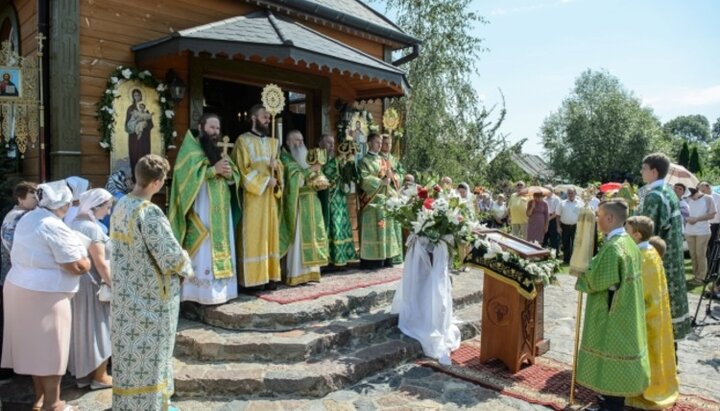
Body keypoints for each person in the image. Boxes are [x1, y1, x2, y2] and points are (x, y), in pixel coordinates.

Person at [110, 154, 193, 411]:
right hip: (152, 300)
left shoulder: (121, 205)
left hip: (125, 296)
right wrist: (186, 263)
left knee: (129, 356)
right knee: (153, 355)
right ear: (157, 182)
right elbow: (171, 256)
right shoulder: (150, 212)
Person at [2, 180, 91, 411]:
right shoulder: (53, 225)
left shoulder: (28, 217)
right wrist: (87, 262)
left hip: (19, 286)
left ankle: (40, 399)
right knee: (51, 350)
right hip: (45, 294)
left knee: (34, 349)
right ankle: (54, 404)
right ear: (63, 204)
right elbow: (76, 266)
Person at [575, 199, 650, 411]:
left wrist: (582, 274)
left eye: (599, 216)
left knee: (610, 354)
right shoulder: (629, 243)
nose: (597, 220)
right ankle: (609, 400)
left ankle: (611, 405)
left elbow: (596, 280)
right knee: (616, 354)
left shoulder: (614, 247)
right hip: (626, 309)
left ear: (610, 218)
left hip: (612, 311)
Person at [168, 113, 239, 305]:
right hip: (202, 207)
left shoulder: (220, 150)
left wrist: (230, 174)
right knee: (204, 246)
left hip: (222, 211)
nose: (215, 132)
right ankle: (200, 294)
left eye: (217, 128)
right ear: (201, 127)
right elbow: (184, 179)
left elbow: (235, 176)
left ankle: (223, 291)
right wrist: (211, 171)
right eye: (211, 128)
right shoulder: (191, 150)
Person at [624, 217, 679, 410]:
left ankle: (641, 393)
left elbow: (638, 291)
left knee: (644, 354)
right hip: (655, 313)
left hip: (645, 316)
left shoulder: (642, 257)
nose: (624, 234)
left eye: (627, 231)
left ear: (637, 235)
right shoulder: (651, 252)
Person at [637, 153, 691, 344]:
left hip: (659, 259)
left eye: (644, 168)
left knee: (654, 306)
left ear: (654, 171)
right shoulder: (668, 192)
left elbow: (644, 232)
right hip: (672, 256)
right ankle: (670, 351)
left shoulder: (654, 196)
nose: (641, 172)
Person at [231, 104, 282, 289]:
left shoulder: (273, 143)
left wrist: (277, 170)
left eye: (269, 117)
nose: (268, 120)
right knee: (253, 234)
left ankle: (270, 276)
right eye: (264, 117)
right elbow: (241, 170)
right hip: (253, 198)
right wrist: (263, 181)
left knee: (270, 235)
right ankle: (252, 280)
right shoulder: (242, 141)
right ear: (253, 118)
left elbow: (280, 172)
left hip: (269, 198)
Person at [68, 188, 114, 390]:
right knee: (99, 327)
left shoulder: (73, 224)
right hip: (95, 284)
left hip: (78, 283)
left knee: (82, 328)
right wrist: (114, 284)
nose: (109, 212)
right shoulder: (93, 229)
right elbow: (101, 263)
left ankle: (84, 375)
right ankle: (100, 376)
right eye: (107, 207)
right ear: (95, 207)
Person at [278, 130, 329, 285]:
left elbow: (314, 177)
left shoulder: (305, 156)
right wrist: (311, 170)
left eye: (301, 140)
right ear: (287, 142)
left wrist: (320, 180)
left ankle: (312, 272)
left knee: (313, 236)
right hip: (297, 205)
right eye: (296, 141)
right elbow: (295, 182)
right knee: (299, 239)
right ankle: (296, 273)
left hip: (312, 202)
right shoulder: (285, 159)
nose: (300, 144)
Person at [0, 181, 37, 380]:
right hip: (15, 277)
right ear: (20, 198)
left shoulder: (21, 215)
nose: (37, 201)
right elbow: (12, 246)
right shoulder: (17, 217)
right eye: (32, 197)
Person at [358, 133, 401, 269]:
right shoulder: (364, 161)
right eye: (377, 142)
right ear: (369, 143)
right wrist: (381, 182)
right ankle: (372, 260)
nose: (380, 145)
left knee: (386, 229)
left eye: (381, 142)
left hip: (385, 201)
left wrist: (393, 178)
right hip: (372, 202)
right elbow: (364, 179)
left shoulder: (384, 161)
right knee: (375, 229)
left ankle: (387, 257)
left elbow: (393, 178)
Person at [317, 134, 359, 267]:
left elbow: (347, 175)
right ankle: (329, 259)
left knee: (341, 226)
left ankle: (341, 258)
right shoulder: (317, 156)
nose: (332, 146)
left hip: (339, 197)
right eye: (329, 143)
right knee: (332, 225)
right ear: (321, 144)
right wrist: (340, 158)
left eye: (333, 143)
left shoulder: (335, 159)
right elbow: (326, 171)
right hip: (327, 197)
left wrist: (349, 161)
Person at [684, 185, 715, 284]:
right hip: (689, 231)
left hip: (703, 231)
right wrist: (687, 219)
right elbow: (683, 213)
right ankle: (695, 275)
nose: (690, 198)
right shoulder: (687, 199)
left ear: (697, 191)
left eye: (692, 196)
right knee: (693, 255)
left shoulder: (708, 198)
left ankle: (701, 277)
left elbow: (712, 214)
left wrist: (696, 219)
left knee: (700, 254)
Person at [381, 134, 404, 264]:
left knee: (395, 223)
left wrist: (394, 177)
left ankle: (396, 256)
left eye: (389, 144)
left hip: (393, 195)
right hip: (383, 194)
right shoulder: (377, 159)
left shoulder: (394, 160)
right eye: (385, 143)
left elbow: (401, 174)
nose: (387, 146)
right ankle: (387, 255)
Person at [125, 88, 154, 174]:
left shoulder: (146, 109)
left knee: (144, 156)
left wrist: (144, 125)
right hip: (134, 138)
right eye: (135, 95)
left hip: (144, 138)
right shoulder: (131, 109)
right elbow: (127, 124)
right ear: (133, 97)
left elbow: (151, 124)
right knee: (134, 155)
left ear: (141, 96)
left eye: (138, 95)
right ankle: (134, 176)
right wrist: (135, 125)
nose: (137, 97)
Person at [558, 188, 583, 264]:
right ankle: (566, 259)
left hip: (576, 226)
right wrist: (558, 227)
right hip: (564, 226)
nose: (570, 194)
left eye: (572, 193)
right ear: (567, 194)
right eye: (569, 193)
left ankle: (574, 259)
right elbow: (557, 215)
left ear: (575, 193)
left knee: (576, 243)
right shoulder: (562, 203)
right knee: (565, 243)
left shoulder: (580, 203)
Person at [698, 181, 720, 256]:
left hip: (715, 225)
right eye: (700, 191)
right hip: (704, 225)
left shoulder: (717, 197)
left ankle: (712, 265)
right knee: (705, 246)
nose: (702, 192)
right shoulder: (702, 198)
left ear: (708, 188)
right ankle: (707, 264)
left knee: (713, 245)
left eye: (703, 191)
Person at [544, 187, 561, 255]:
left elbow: (557, 212)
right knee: (544, 237)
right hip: (545, 219)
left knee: (553, 237)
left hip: (553, 220)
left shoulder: (557, 199)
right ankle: (543, 254)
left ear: (552, 191)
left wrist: (549, 218)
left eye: (548, 190)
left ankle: (555, 254)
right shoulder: (544, 199)